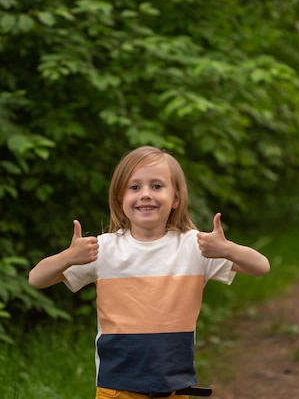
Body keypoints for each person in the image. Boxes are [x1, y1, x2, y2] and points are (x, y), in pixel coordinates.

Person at [29, 146, 270, 399]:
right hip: (116, 389)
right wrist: (68, 257)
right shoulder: (104, 249)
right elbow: (36, 279)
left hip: (175, 389)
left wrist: (227, 249)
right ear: (120, 199)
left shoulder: (194, 247)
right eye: (134, 187)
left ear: (175, 198)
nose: (145, 194)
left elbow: (261, 266)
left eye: (156, 186)